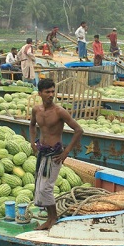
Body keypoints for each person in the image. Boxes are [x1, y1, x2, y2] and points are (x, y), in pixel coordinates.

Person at [29, 78, 84, 230]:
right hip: (42, 152)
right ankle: (50, 217)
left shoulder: (59, 112)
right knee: (40, 187)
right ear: (40, 93)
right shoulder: (36, 110)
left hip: (55, 154)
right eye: (47, 92)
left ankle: (52, 219)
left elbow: (78, 130)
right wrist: (32, 142)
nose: (51, 95)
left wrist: (66, 152)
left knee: (46, 188)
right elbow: (32, 125)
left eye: (53, 91)